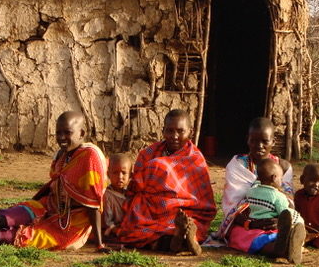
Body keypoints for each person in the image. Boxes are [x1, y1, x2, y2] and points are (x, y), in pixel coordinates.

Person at [0, 111, 108, 251]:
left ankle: (16, 233)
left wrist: (99, 244)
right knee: (6, 218)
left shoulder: (90, 156)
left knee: (4, 237)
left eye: (67, 133)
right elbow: (55, 182)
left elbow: (93, 203)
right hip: (50, 205)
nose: (61, 138)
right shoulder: (63, 153)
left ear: (81, 133)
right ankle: (20, 223)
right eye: (58, 133)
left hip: (73, 220)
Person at [116, 109, 216, 255]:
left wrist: (157, 168)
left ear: (191, 132)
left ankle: (183, 234)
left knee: (188, 223)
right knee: (135, 228)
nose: (174, 136)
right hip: (151, 211)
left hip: (186, 211)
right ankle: (179, 239)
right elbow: (135, 187)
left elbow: (203, 200)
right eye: (169, 131)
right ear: (163, 131)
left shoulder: (196, 159)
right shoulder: (147, 153)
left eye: (180, 131)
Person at [210, 117, 295, 254]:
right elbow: (233, 205)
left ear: (273, 142)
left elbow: (289, 201)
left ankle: (284, 242)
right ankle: (279, 248)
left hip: (276, 219)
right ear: (247, 140)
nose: (259, 145)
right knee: (239, 235)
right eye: (254, 140)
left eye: (265, 141)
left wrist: (278, 218)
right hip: (246, 223)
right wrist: (252, 223)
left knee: (290, 227)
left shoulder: (283, 167)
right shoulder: (237, 165)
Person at [244, 159, 305, 264]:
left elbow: (257, 183)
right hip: (273, 226)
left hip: (256, 225)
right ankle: (292, 241)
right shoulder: (278, 196)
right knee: (294, 217)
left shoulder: (251, 191)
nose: (281, 182)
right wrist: (296, 218)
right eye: (281, 178)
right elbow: (284, 214)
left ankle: (287, 246)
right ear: (274, 178)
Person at [102, 153, 132, 241]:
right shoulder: (106, 194)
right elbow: (107, 222)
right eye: (115, 173)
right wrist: (116, 229)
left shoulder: (131, 195)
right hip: (112, 230)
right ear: (108, 174)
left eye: (124, 173)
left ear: (130, 175)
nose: (120, 177)